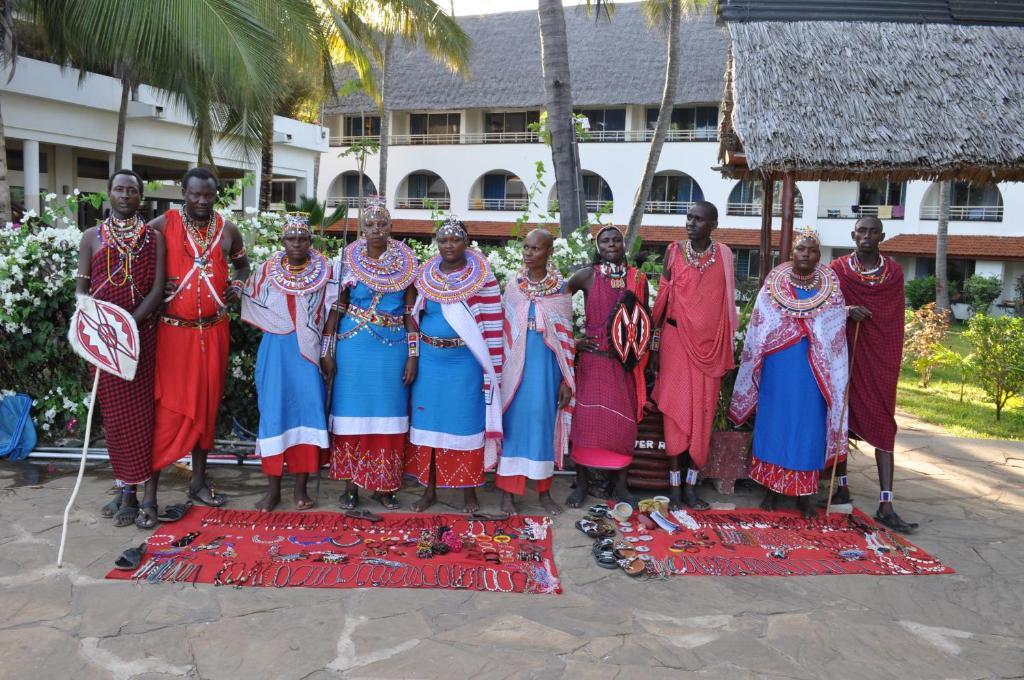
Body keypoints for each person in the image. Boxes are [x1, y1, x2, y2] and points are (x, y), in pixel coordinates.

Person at [729, 227, 848, 518]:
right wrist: (794, 327)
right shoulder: (775, 282)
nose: (805, 254)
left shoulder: (830, 287)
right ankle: (771, 489)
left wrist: (812, 325)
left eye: (812, 250)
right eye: (800, 249)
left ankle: (805, 495)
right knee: (776, 421)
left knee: (809, 425)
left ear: (819, 256)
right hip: (778, 362)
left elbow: (833, 324)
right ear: (791, 252)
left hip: (814, 366)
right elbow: (761, 322)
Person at [149, 167, 250, 506]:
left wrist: (237, 284)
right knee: (169, 411)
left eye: (208, 195)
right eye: (195, 194)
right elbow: (139, 258)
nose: (202, 201)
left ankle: (198, 482)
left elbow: (242, 265)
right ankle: (148, 493)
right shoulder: (163, 225)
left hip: (215, 331)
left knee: (207, 408)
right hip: (174, 335)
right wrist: (156, 284)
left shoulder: (227, 229)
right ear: (183, 192)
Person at [75, 170, 166, 528]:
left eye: (132, 190)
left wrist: (128, 326)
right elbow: (82, 291)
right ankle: (125, 489)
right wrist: (99, 327)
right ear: (108, 195)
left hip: (142, 338)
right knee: (115, 419)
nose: (125, 195)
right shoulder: (90, 238)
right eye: (119, 189)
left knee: (143, 416)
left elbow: (157, 291)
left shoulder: (153, 239)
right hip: (104, 343)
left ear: (140, 197)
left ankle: (142, 490)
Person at [321, 199, 419, 510]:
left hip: (392, 349)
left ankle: (385, 486)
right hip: (353, 349)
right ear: (363, 229)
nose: (377, 229)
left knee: (388, 419)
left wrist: (413, 355)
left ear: (391, 228)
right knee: (353, 419)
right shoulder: (347, 261)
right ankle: (350, 487)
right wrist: (327, 350)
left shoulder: (407, 262)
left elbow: (410, 312)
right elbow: (337, 307)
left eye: (383, 225)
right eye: (371, 225)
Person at [406, 216, 503, 514]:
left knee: (465, 426)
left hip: (465, 364)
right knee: (429, 426)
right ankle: (429, 489)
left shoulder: (482, 277)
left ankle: (468, 492)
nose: (449, 245)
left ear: (467, 242)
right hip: (431, 363)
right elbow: (412, 316)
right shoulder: (424, 274)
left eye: (455, 240)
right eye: (444, 240)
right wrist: (414, 355)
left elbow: (492, 321)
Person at [828, 216, 916, 532]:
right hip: (847, 354)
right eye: (861, 231)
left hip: (880, 356)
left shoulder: (893, 273)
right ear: (853, 235)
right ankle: (842, 486)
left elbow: (894, 321)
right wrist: (847, 311)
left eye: (872, 231)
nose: (866, 235)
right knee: (842, 418)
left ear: (882, 235)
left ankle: (886, 503)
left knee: (883, 422)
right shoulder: (838, 270)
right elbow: (823, 308)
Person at [241, 214, 335, 511]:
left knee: (308, 414)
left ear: (311, 241)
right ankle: (273, 490)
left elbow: (332, 309)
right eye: (291, 238)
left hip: (308, 350)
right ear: (282, 241)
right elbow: (251, 300)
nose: (297, 243)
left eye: (303, 238)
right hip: (275, 350)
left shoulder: (327, 271)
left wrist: (327, 350)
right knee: (273, 412)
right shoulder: (266, 271)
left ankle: (300, 489)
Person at [650, 201, 737, 510]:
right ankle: (674, 489)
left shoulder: (725, 256)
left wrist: (725, 349)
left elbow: (727, 310)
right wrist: (655, 350)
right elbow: (659, 307)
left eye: (698, 219)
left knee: (701, 417)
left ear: (713, 224)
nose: (691, 223)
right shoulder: (673, 252)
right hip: (675, 344)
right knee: (675, 416)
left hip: (710, 351)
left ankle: (691, 488)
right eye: (688, 217)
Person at [566, 224, 650, 508]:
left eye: (616, 240)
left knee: (622, 425)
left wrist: (635, 354)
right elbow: (553, 302)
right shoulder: (587, 276)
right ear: (598, 246)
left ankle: (621, 487)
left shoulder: (638, 278)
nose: (611, 244)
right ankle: (582, 484)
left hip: (623, 365)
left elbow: (642, 321)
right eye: (605, 241)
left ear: (624, 244)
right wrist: (572, 341)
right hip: (593, 362)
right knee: (586, 423)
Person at [497, 229, 575, 516]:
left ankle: (543, 493)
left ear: (549, 252)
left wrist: (566, 381)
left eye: (536, 249)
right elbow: (503, 330)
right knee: (514, 428)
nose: (528, 254)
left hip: (546, 371)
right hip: (514, 370)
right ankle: (508, 494)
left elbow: (566, 340)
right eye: (526, 248)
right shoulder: (513, 286)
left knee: (543, 426)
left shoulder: (561, 289)